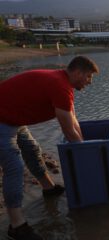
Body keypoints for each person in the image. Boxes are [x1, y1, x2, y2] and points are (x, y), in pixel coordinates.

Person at [0, 56, 99, 240]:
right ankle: (16, 225)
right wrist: (87, 160)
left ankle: (48, 188)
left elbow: (74, 121)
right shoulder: (60, 86)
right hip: (2, 120)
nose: (89, 82)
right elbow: (69, 132)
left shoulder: (63, 84)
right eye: (88, 77)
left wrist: (84, 146)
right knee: (14, 168)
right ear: (77, 72)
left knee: (32, 149)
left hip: (13, 118)